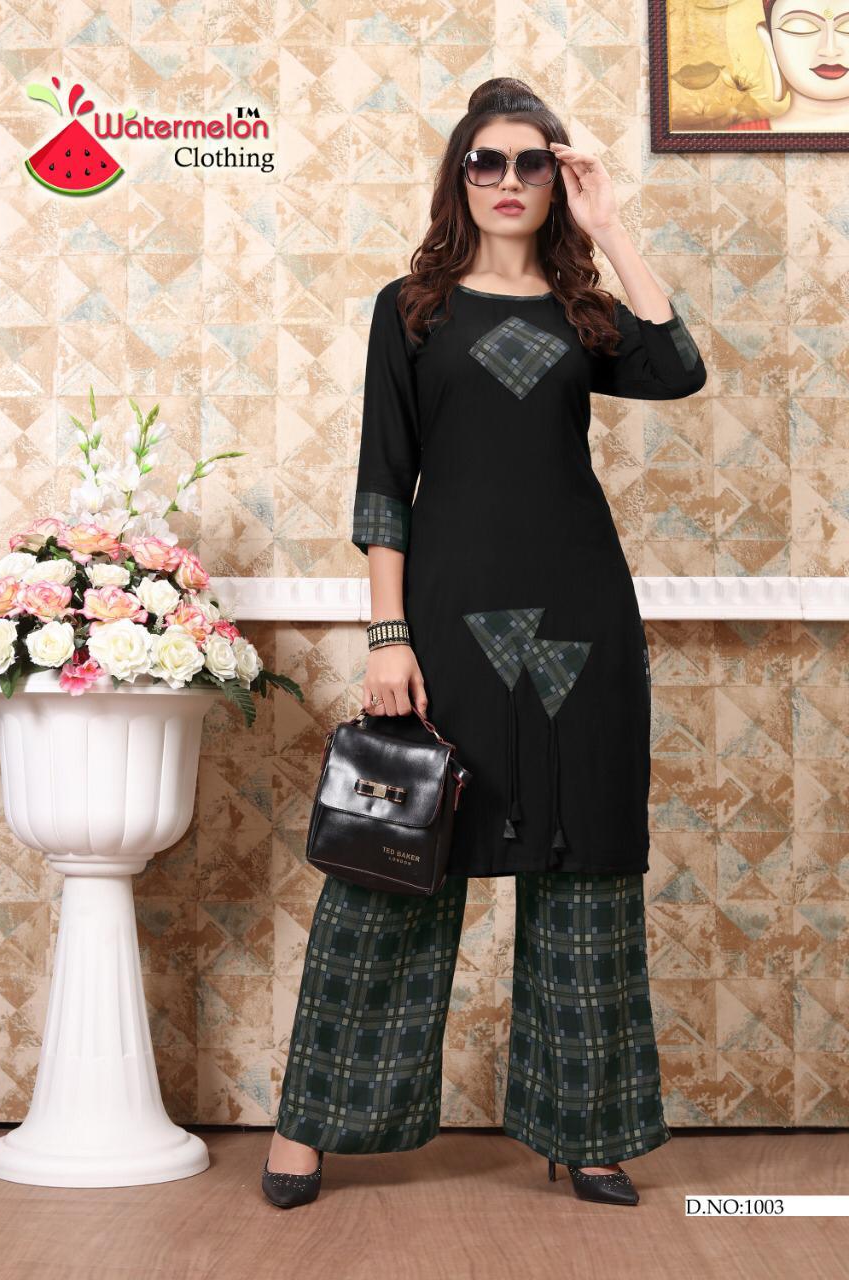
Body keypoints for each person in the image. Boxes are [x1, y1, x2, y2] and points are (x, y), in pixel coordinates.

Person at [262, 76, 707, 1211]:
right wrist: (387, 634)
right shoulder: (411, 309)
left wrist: (611, 225)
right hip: (446, 623)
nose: (509, 181)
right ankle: (312, 1122)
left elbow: (677, 368)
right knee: (394, 866)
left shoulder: (584, 315)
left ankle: (586, 1128)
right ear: (459, 176)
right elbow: (383, 483)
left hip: (582, 622)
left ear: (556, 179)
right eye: (488, 161)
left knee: (586, 870)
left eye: (532, 163)